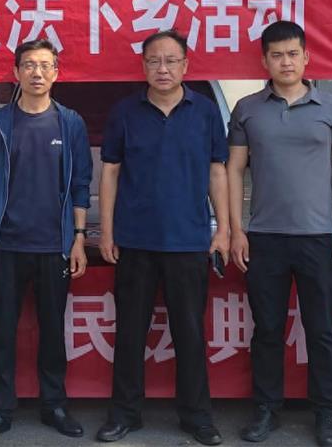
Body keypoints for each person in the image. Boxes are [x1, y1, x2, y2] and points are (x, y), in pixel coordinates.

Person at [226, 20, 332, 447]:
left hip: (318, 236)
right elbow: (233, 170)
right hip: (264, 236)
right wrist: (236, 229)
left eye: (292, 54)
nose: (285, 62)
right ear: (264, 61)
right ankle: (267, 408)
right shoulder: (247, 109)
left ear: (306, 57)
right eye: (277, 55)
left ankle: (327, 414)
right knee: (267, 329)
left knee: (321, 329)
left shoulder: (331, 107)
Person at [96, 29, 230, 446]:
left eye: (171, 61)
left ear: (186, 66)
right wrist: (107, 230)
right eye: (154, 61)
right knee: (130, 333)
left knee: (189, 333)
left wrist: (224, 229)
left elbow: (218, 171)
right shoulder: (125, 112)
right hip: (135, 240)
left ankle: (197, 416)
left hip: (188, 240)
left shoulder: (205, 111)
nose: (163, 69)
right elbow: (110, 171)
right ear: (143, 66)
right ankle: (124, 414)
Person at [0, 39, 93, 445]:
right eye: (28, 65)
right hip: (6, 245)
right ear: (16, 72)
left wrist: (78, 238)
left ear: (56, 72)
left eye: (44, 65)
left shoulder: (70, 123)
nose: (36, 73)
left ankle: (53, 404)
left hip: (54, 246)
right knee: (2, 331)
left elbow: (80, 184)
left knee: (53, 330)